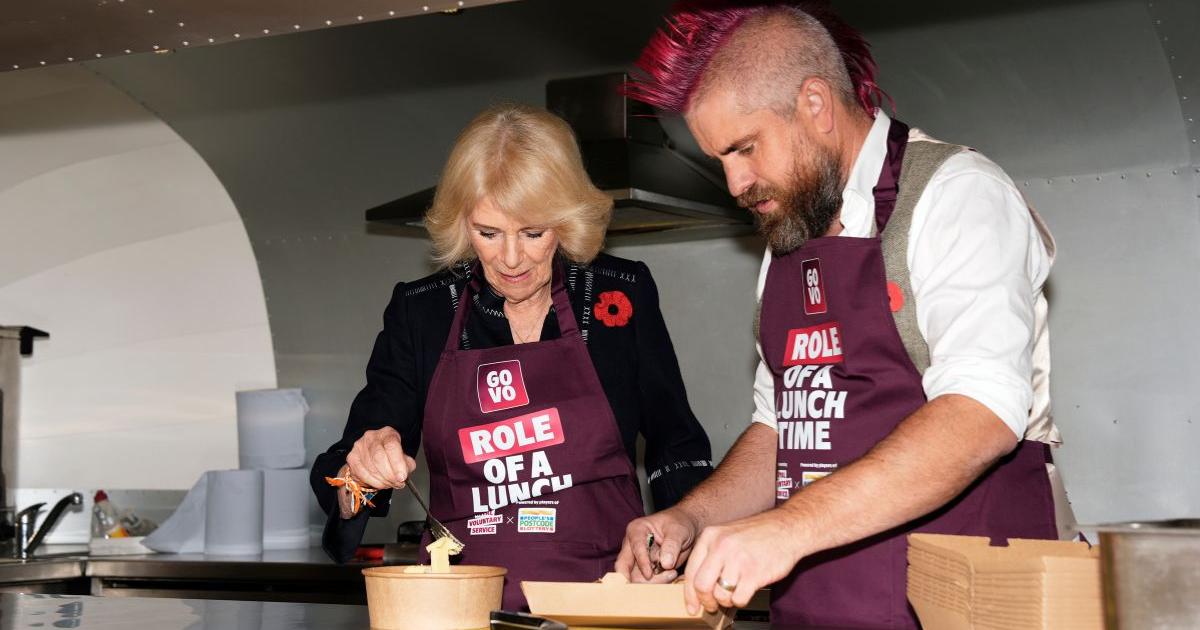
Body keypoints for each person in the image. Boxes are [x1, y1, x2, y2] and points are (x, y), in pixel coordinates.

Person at [615, 3, 1067, 627]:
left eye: (744, 148)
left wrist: (784, 531)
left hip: (962, 605)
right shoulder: (788, 239)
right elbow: (784, 427)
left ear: (815, 104)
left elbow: (982, 412)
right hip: (822, 611)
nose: (736, 182)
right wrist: (694, 517)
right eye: (721, 159)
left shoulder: (956, 194)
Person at [310, 103, 713, 610]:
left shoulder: (620, 294)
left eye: (533, 232)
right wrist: (362, 473)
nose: (511, 259)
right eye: (488, 233)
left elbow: (675, 441)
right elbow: (346, 471)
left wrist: (678, 538)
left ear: (566, 221)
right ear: (462, 224)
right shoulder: (424, 311)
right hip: (463, 609)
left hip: (607, 604)